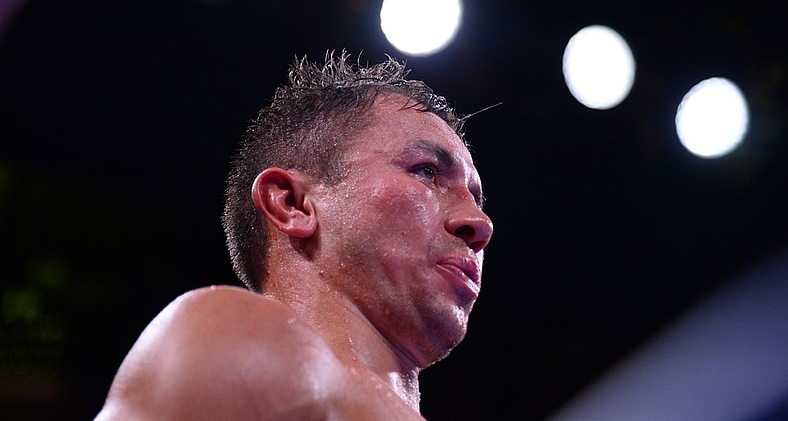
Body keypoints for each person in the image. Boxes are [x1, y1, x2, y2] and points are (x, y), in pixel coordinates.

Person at [94, 51, 493, 420]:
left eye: (477, 199)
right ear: (292, 204)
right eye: (426, 171)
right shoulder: (242, 343)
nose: (480, 224)